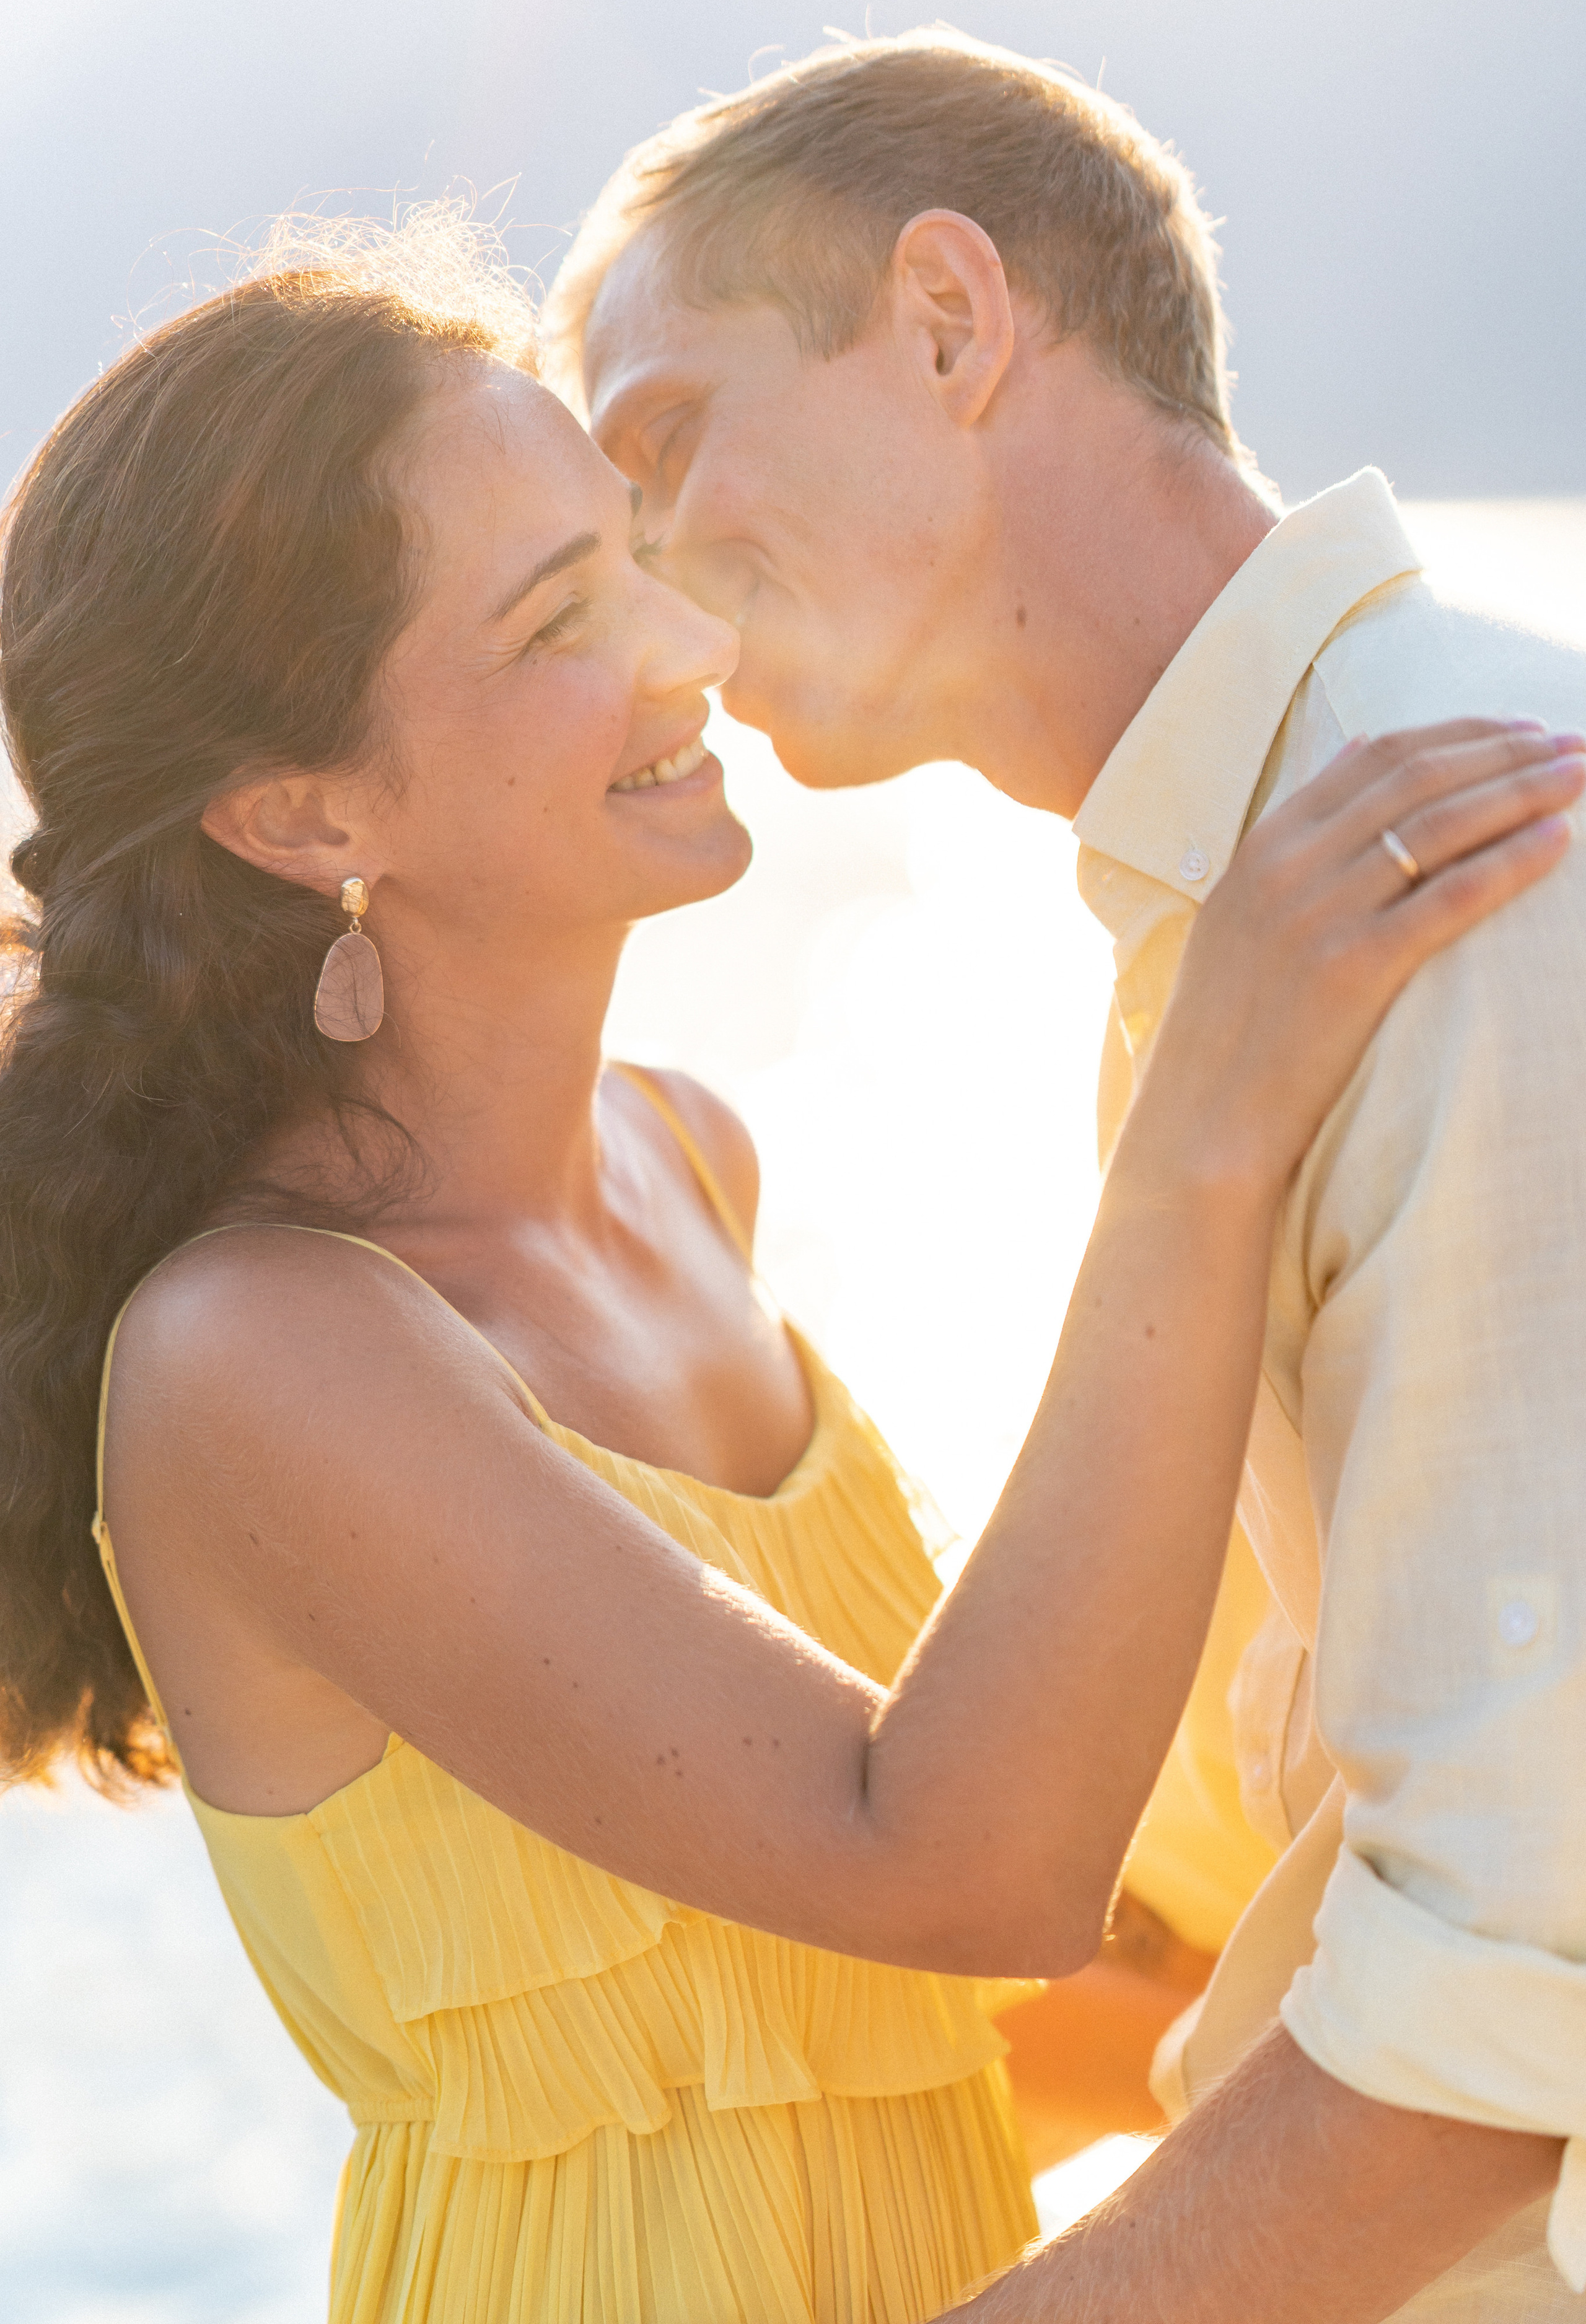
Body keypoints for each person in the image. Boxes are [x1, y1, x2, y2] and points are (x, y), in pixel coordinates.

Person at [0, 228, 1571, 2324]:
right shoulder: (258, 1356)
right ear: (304, 813)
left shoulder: (689, 1161)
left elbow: (884, 1998)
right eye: (563, 614)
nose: (688, 641)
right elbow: (962, 1863)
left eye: (633, 547)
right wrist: (1211, 1119)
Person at [550, 27, 1586, 2321]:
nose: (642, 567)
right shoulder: (1256, 922)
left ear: (947, 320)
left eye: (664, 436)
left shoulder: (1476, 851)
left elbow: (1521, 2002)